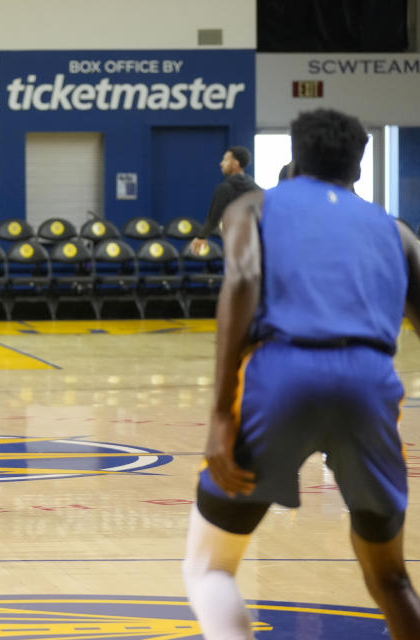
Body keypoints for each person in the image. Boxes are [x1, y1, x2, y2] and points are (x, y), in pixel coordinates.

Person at [182, 108, 420, 639]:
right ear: (358, 170)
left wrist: (221, 411)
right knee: (392, 579)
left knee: (208, 567)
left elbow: (241, 282)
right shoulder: (397, 231)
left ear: (294, 158)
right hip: (370, 381)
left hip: (282, 373)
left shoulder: (254, 206)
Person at [191, 146, 260, 254]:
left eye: (225, 160)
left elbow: (213, 219)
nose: (221, 163)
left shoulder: (225, 188)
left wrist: (201, 237)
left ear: (236, 163)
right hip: (257, 244)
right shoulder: (257, 189)